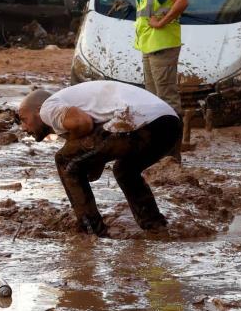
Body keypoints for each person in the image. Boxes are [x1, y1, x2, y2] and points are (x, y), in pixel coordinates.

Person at [18, 81, 181, 237]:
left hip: (137, 119)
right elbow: (97, 140)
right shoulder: (74, 100)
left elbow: (83, 123)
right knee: (125, 171)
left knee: (64, 160)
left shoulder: (48, 107)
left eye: (24, 119)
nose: (23, 128)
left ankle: (91, 232)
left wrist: (89, 161)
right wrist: (93, 161)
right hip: (169, 124)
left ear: (38, 110)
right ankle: (156, 227)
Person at [133, 0, 189, 117]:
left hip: (162, 43)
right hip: (150, 43)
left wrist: (162, 22)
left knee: (166, 97)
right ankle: (158, 138)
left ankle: (173, 140)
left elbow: (182, 1)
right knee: (152, 97)